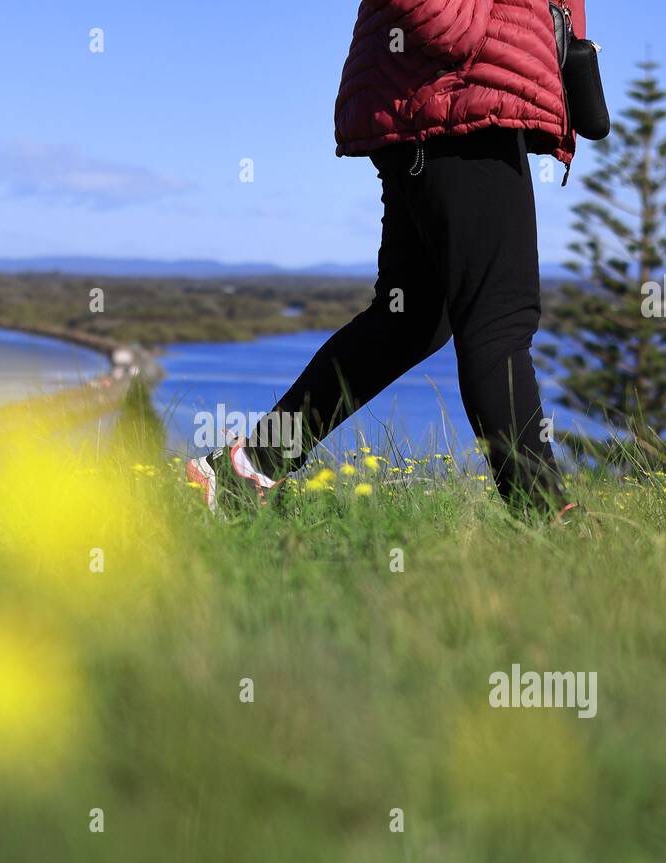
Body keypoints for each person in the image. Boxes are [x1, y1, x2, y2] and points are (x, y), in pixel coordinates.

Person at [188, 0, 586, 517]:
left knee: (410, 320)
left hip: (448, 96)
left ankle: (244, 469)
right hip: (453, 95)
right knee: (500, 321)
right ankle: (549, 522)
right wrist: (463, 29)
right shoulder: (458, 60)